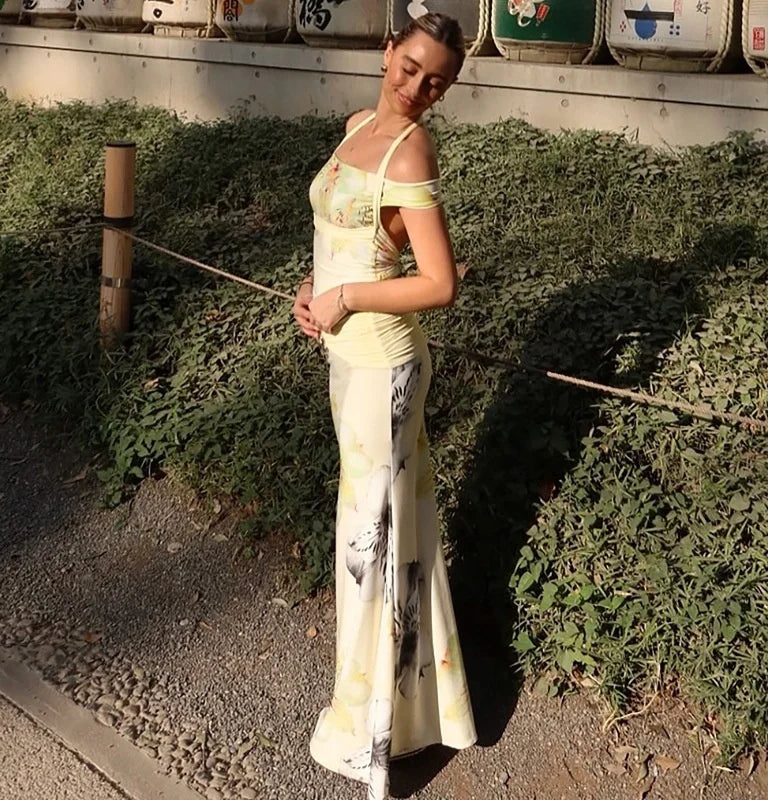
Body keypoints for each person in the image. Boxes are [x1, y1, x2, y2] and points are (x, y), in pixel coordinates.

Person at [292, 13, 477, 799]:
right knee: (389, 535)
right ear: (386, 53)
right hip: (349, 361)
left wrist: (346, 299)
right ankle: (424, 713)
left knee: (370, 545)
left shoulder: (413, 150)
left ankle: (369, 743)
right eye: (409, 67)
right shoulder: (359, 123)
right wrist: (316, 293)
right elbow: (351, 236)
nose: (417, 88)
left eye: (435, 80)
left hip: (384, 370)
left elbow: (439, 282)